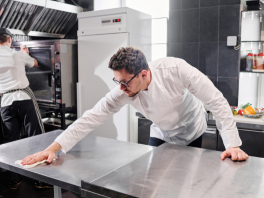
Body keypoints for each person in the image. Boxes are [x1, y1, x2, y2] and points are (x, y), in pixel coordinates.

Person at [22, 46, 249, 168]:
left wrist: (234, 144)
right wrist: (53, 148)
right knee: (153, 180)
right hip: (162, 132)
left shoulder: (176, 69)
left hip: (192, 129)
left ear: (143, 73)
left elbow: (216, 101)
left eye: (124, 82)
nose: (120, 88)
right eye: (117, 82)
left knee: (186, 180)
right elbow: (91, 117)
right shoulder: (126, 89)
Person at [0, 28, 45, 189]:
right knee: (36, 137)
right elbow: (35, 63)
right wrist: (25, 53)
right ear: (9, 40)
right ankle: (40, 180)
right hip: (24, 97)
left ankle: (14, 180)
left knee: (11, 142)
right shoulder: (16, 54)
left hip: (5, 101)